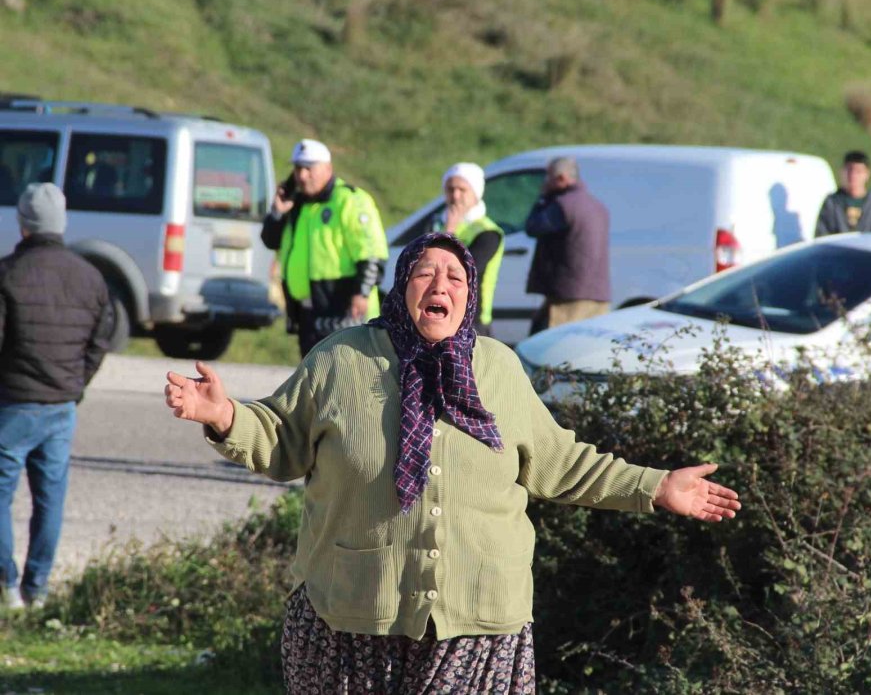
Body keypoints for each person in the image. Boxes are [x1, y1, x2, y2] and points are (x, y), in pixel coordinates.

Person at [164, 232, 741, 693]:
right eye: (424, 273)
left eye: (456, 277)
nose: (440, 285)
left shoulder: (497, 368)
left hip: (479, 621)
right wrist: (223, 415)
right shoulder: (341, 359)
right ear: (401, 287)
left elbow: (563, 463)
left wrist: (656, 486)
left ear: (470, 297)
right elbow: (280, 439)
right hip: (352, 615)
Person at [0, 183, 111, 610]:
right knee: (50, 502)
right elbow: (100, 341)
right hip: (62, 406)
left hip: (12, 404)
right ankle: (38, 589)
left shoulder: (8, 273)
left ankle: (7, 586)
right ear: (62, 222)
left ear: (23, 223)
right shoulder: (90, 277)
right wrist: (76, 382)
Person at [260, 138, 388, 357]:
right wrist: (278, 212)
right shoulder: (297, 204)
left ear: (328, 168)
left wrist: (362, 292)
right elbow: (270, 241)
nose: (302, 175)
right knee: (314, 382)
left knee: (346, 379)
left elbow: (372, 253)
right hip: (308, 313)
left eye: (309, 169)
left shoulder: (349, 200)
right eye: (298, 168)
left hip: (344, 309)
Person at [525, 156, 610, 335]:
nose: (545, 182)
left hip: (567, 296)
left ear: (561, 178)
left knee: (552, 349)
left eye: (548, 177)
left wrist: (542, 198)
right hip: (598, 293)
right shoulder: (598, 206)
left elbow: (532, 227)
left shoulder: (562, 205)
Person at [429, 162, 503, 335]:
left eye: (462, 190)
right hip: (439, 311)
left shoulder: (488, 232)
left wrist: (449, 232)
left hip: (473, 319)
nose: (455, 196)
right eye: (450, 189)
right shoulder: (436, 223)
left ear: (476, 194)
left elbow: (464, 270)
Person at [815, 150, 871, 236]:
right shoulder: (831, 202)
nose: (853, 175)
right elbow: (822, 234)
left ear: (867, 174)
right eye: (849, 170)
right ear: (842, 171)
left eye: (858, 171)